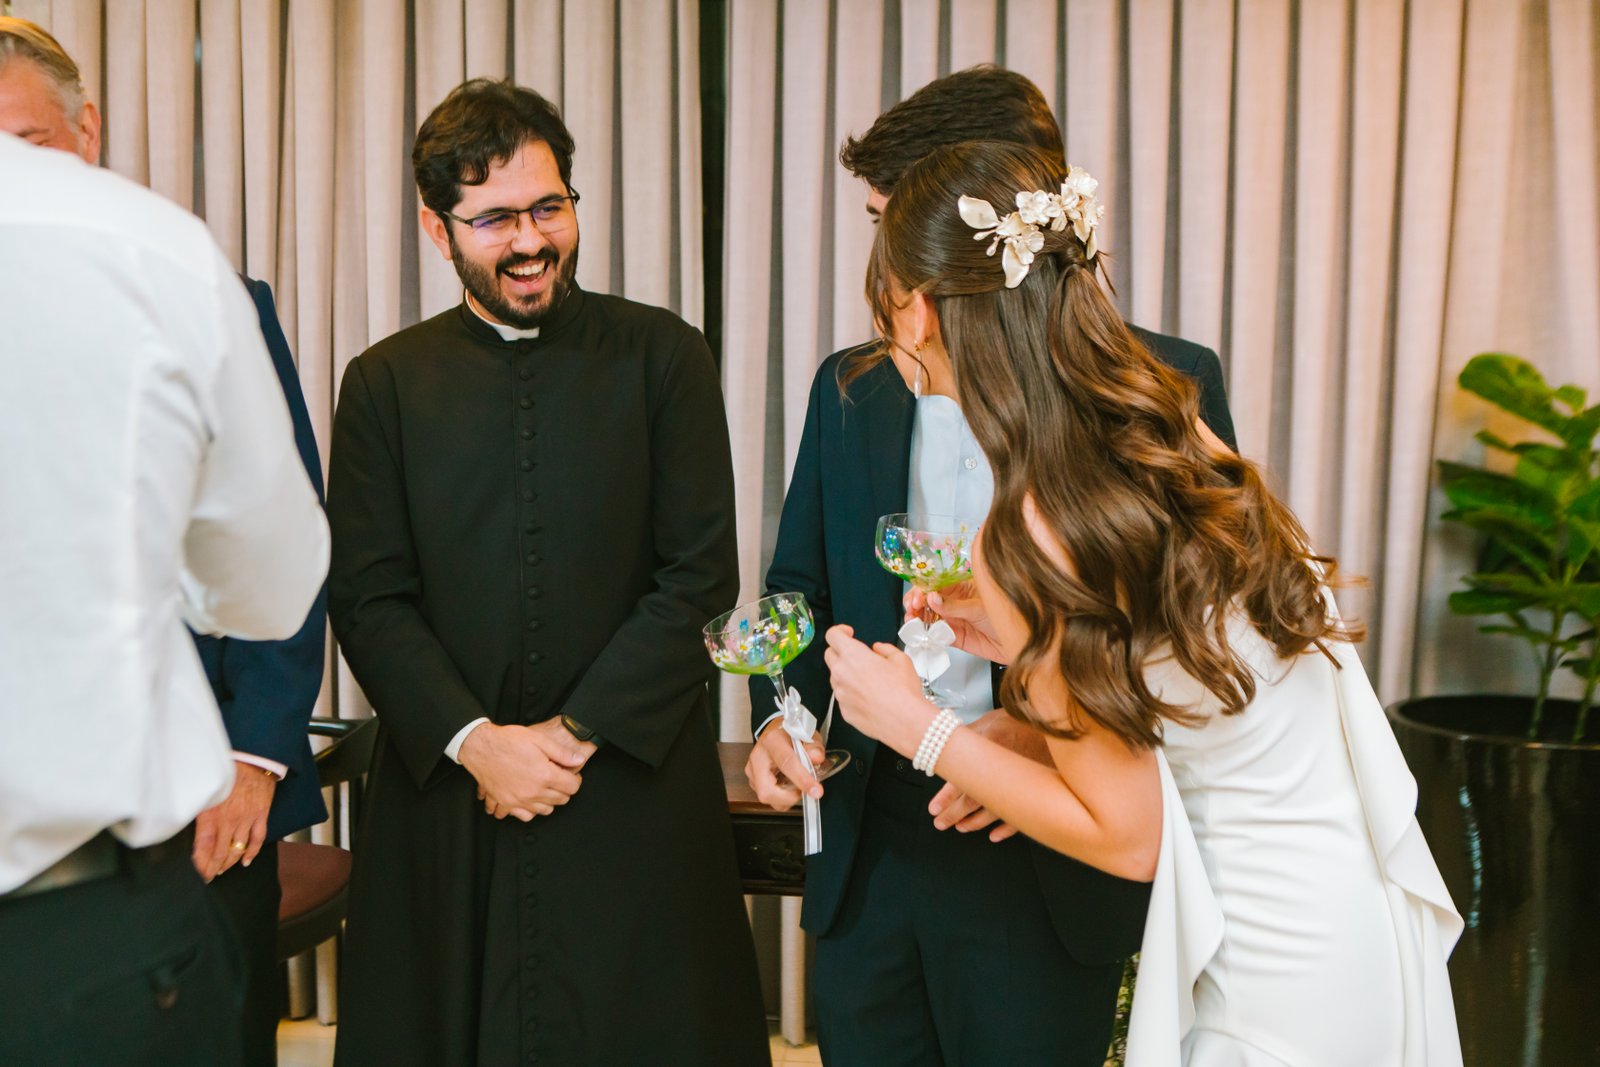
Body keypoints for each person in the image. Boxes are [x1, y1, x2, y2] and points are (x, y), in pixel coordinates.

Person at [823, 139, 1463, 1065]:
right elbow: (1181, 660)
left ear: (916, 308)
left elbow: (1127, 837)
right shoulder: (1160, 422)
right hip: (1345, 914)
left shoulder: (1033, 519)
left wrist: (917, 726)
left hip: (1257, 954)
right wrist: (1022, 651)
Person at [744, 65, 1236, 1065]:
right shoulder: (851, 386)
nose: (891, 277)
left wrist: (1033, 735)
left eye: (902, 226)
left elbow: (1185, 637)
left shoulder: (1159, 390)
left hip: (1050, 846)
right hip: (874, 833)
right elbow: (798, 584)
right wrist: (778, 720)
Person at [327, 78, 768, 1066]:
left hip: (628, 783)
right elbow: (367, 595)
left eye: (548, 208)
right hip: (450, 791)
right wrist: (479, 742)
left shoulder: (664, 355)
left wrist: (566, 740)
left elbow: (698, 577)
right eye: (495, 219)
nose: (529, 241)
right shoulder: (383, 383)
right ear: (438, 229)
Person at [0, 20, 331, 1065]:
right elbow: (263, 573)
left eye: (26, 145)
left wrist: (249, 755)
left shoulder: (183, 278)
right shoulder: (166, 256)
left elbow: (288, 574)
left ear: (86, 129)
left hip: (160, 837)